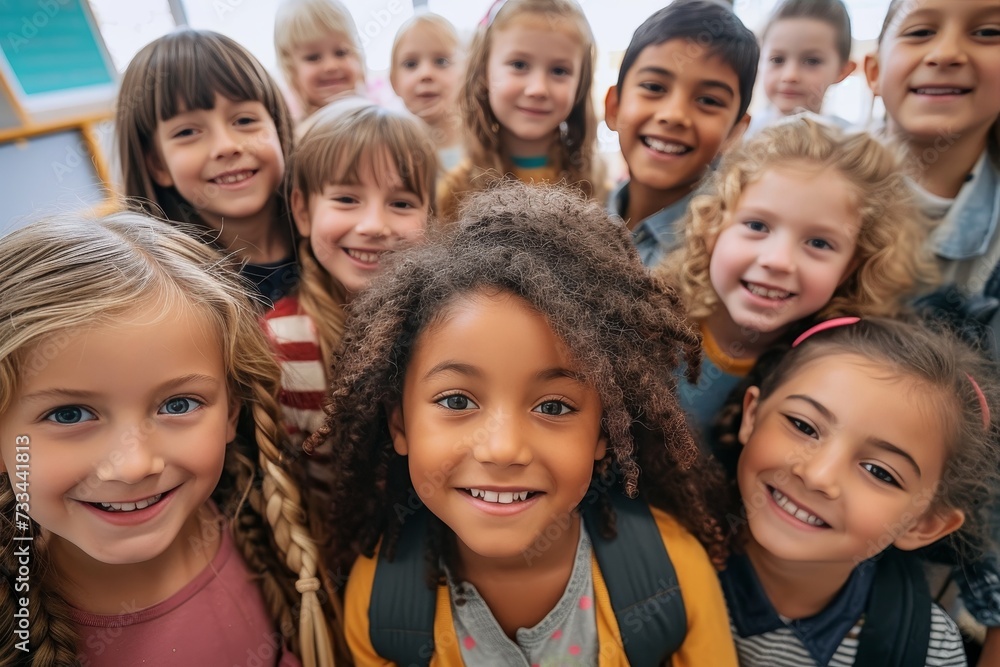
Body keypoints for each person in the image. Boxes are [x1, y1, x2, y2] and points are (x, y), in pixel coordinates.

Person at [308, 182, 738, 665]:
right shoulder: (380, 606)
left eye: (553, 407)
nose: (503, 448)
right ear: (399, 423)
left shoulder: (671, 576)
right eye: (456, 400)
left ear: (603, 433)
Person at [0, 212, 338, 666]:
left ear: (231, 411)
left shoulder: (266, 532)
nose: (134, 465)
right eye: (69, 414)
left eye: (178, 405)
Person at [717, 316, 998, 666]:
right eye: (803, 426)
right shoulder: (649, 547)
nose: (818, 476)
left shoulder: (927, 652)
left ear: (923, 524)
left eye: (879, 472)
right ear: (752, 416)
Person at [657, 116, 936, 440]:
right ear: (711, 227)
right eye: (757, 226)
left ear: (848, 268)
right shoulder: (643, 322)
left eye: (819, 243)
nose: (778, 261)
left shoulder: (841, 375)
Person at [262, 99, 437, 443]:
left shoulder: (445, 324)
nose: (373, 226)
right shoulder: (283, 342)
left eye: (401, 203)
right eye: (346, 199)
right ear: (303, 212)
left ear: (429, 219)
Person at [115, 29, 298, 304]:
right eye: (187, 132)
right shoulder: (162, 296)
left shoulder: (339, 234)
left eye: (245, 120)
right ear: (157, 165)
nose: (226, 146)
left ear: (279, 131)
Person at [604, 0, 758, 267]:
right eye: (654, 87)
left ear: (734, 132)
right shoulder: (585, 212)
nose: (674, 114)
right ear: (614, 107)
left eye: (709, 101)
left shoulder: (725, 261)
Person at [865, 0, 1000, 304]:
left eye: (988, 32)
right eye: (920, 31)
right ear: (874, 71)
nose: (946, 54)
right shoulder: (801, 172)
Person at [436, 0, 602, 223]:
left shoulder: (597, 183)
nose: (538, 89)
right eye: (519, 65)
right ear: (484, 71)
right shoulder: (455, 192)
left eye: (559, 70)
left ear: (581, 84)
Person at [747, 0, 856, 137]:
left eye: (812, 61)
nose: (790, 75)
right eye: (777, 60)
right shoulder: (741, 136)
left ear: (842, 71)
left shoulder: (850, 145)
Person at [390, 13, 465, 172]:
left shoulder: (484, 143)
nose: (426, 74)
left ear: (465, 74)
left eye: (441, 61)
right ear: (394, 82)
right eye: (411, 64)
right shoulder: (389, 148)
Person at [275, 0, 365, 121]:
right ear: (290, 69)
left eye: (341, 53)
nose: (331, 66)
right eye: (313, 57)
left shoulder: (380, 117)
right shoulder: (293, 130)